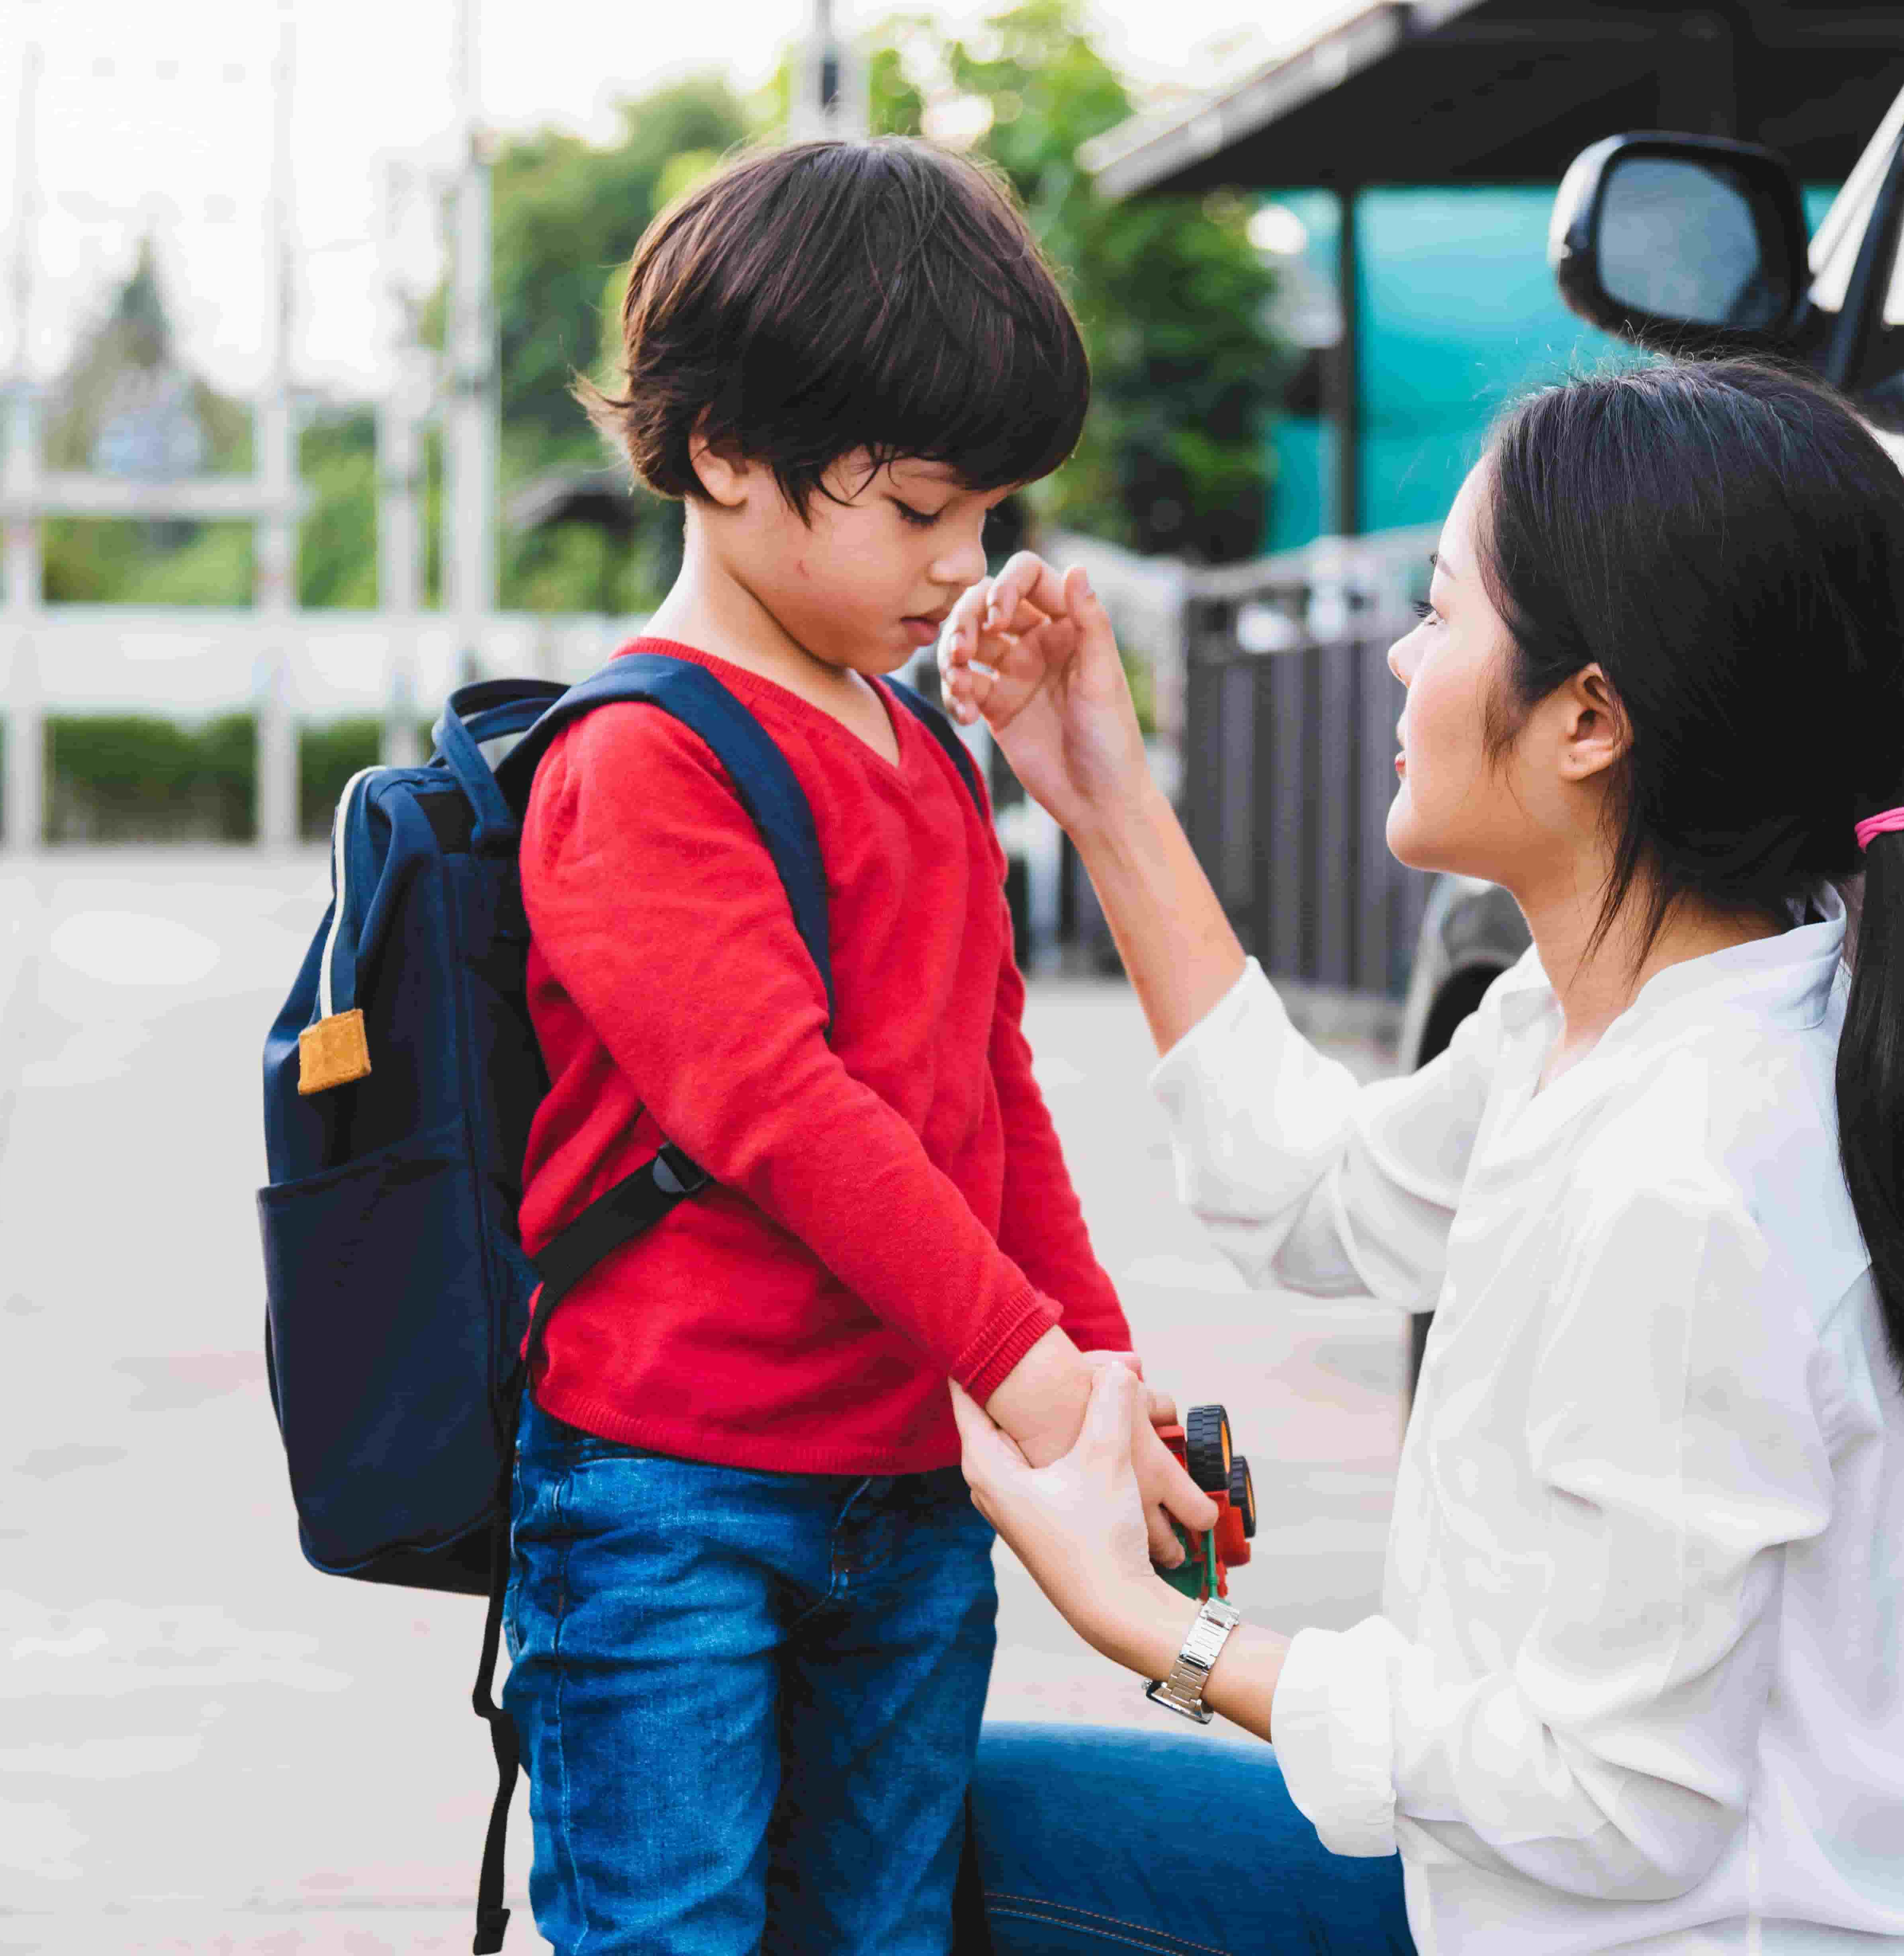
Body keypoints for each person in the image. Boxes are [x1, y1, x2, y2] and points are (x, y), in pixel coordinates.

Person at [940, 359, 1904, 1953]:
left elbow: (1607, 1802)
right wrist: (1105, 786)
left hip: (1645, 1918)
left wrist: (1158, 1627)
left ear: (1590, 717)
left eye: (1441, 613)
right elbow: (1305, 1189)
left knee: (891, 1839)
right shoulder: (1598, 1019)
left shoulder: (1695, 1176)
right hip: (1519, 1903)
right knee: (921, 1808)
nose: (1398, 655)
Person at [506, 136, 1214, 1956]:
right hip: (671, 1508)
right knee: (669, 1932)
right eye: (916, 512)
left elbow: (990, 1099)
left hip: (905, 1501)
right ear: (726, 450)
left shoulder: (924, 753)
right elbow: (783, 1117)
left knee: (885, 1930)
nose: (960, 567)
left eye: (985, 514)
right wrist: (1040, 1385)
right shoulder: (639, 760)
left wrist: (1104, 1375)